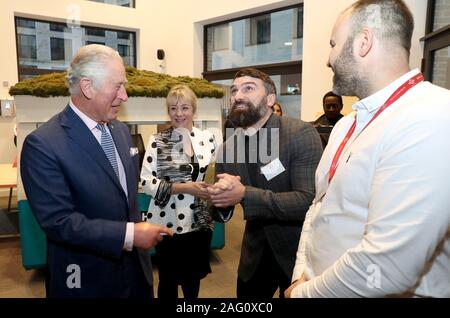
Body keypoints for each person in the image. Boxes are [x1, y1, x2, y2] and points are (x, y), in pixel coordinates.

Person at [286, 0, 450, 298]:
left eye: (334, 44)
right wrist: (302, 274)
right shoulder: (346, 125)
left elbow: (385, 268)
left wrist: (302, 295)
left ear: (363, 42)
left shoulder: (433, 116)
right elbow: (318, 209)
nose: (328, 58)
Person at [20, 44, 172, 298]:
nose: (124, 96)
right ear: (87, 87)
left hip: (136, 274)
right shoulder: (44, 144)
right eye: (117, 86)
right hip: (86, 280)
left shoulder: (122, 132)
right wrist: (130, 234)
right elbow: (59, 222)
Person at [207, 68, 323, 298]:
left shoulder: (300, 134)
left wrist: (243, 195)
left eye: (248, 88)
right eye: (234, 90)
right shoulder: (228, 148)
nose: (237, 96)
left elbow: (308, 201)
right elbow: (218, 211)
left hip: (298, 255)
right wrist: (220, 200)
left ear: (270, 99)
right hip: (254, 254)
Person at [140, 85, 217, 298]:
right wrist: (184, 187)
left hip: (199, 222)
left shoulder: (207, 139)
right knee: (168, 281)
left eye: (184, 107)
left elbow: (212, 174)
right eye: (173, 108)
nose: (179, 113)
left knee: (193, 281)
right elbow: (146, 183)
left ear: (194, 110)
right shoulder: (157, 141)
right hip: (167, 223)